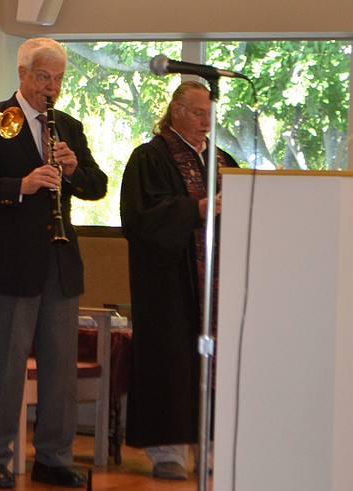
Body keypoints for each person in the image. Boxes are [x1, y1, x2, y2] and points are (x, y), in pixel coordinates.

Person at [0, 38, 107, 489]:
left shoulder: (68, 126)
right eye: (44, 76)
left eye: (59, 78)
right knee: (4, 366)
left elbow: (97, 186)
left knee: (60, 369)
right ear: (23, 74)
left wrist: (73, 168)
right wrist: (20, 185)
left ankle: (54, 457)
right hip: (8, 264)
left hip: (59, 264)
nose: (52, 86)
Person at [120, 80, 238, 480]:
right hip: (171, 285)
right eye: (198, 112)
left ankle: (213, 452)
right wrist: (196, 209)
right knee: (173, 365)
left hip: (221, 286)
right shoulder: (149, 158)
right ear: (175, 111)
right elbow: (138, 219)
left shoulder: (223, 160)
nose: (206, 121)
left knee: (219, 365)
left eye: (210, 114)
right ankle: (168, 453)